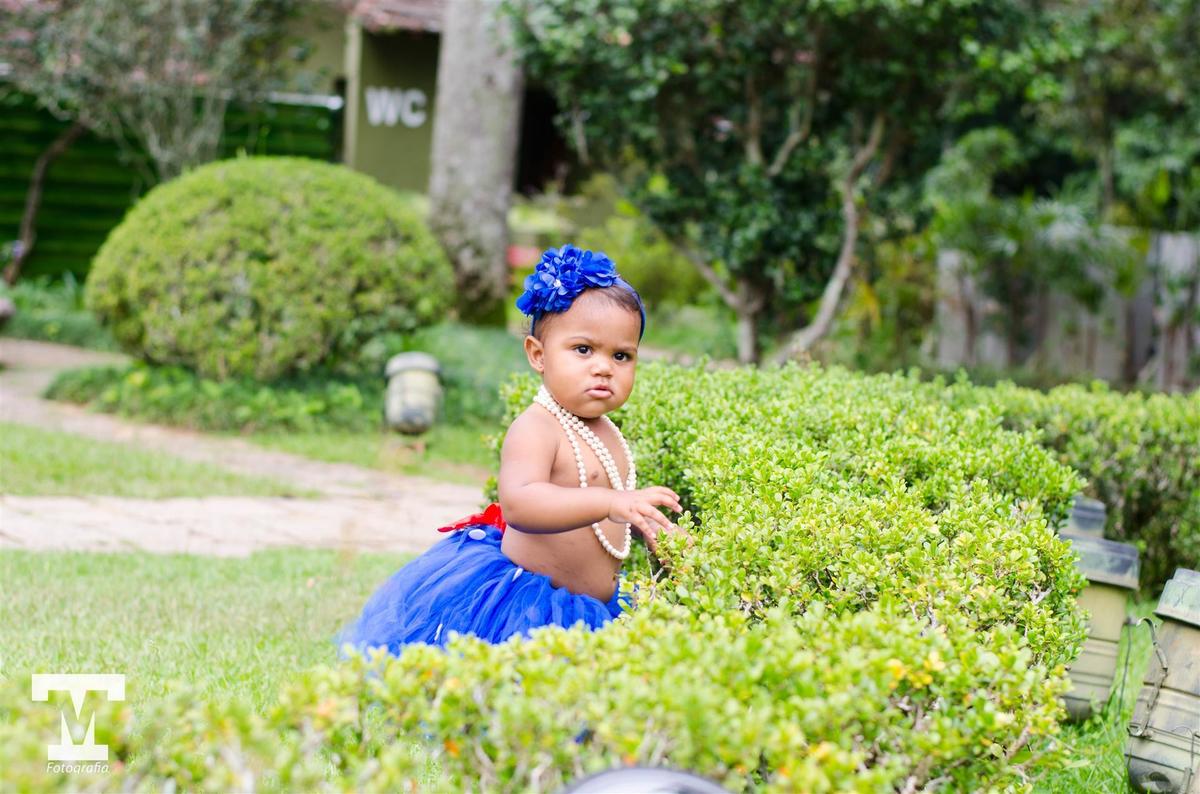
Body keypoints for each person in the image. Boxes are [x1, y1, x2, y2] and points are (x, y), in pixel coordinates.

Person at [339, 244, 683, 657]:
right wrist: (610, 502)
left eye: (622, 355)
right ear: (538, 355)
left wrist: (647, 526)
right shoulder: (537, 427)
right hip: (532, 605)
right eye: (583, 350)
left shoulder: (606, 431)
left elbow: (608, 524)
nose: (603, 367)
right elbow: (520, 503)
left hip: (596, 608)